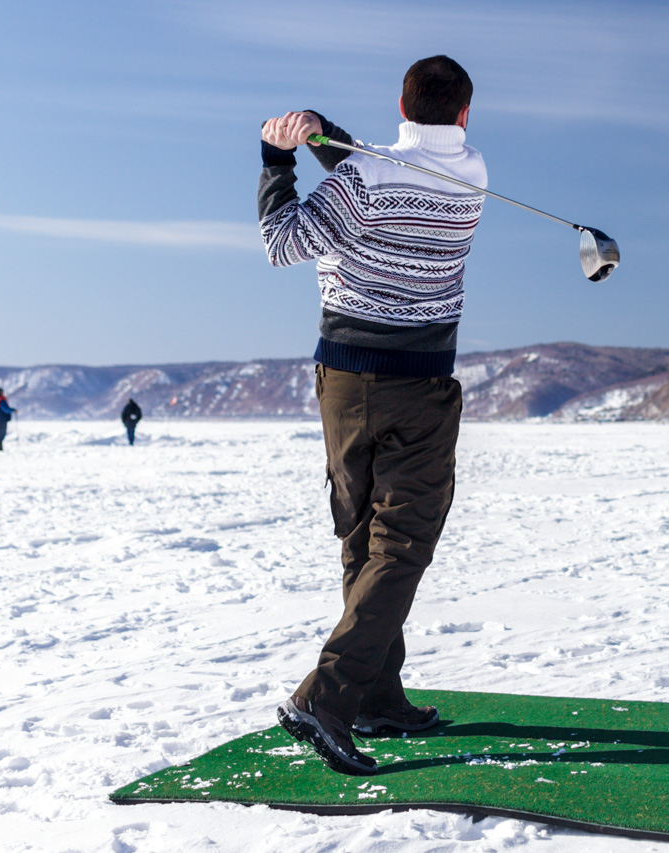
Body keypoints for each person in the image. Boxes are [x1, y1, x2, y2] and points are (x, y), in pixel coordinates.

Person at [259, 56, 486, 776]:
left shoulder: (362, 180)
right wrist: (325, 136)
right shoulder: (471, 173)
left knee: (369, 539)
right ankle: (340, 694)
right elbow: (382, 166)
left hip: (347, 384)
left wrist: (278, 159)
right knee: (399, 542)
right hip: (419, 383)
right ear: (464, 115)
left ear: (401, 103)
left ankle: (363, 694)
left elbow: (282, 242)